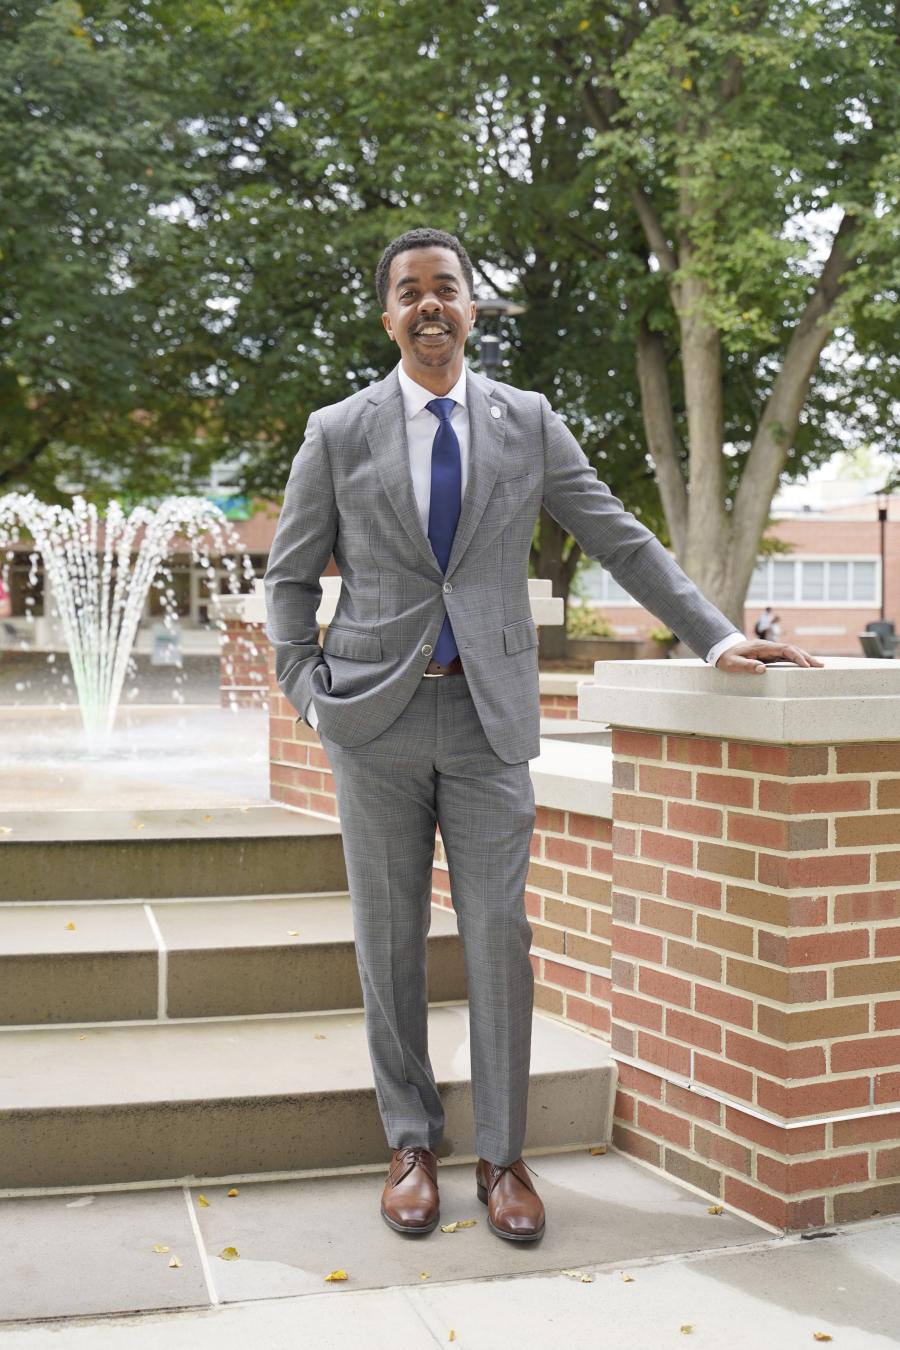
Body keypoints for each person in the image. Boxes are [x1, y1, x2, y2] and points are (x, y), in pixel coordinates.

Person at [264, 227, 823, 1244]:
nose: (430, 307)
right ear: (386, 315)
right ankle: (410, 1144)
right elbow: (291, 576)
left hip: (488, 722)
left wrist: (719, 637)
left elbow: (617, 531)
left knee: (501, 941)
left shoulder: (524, 421)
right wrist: (305, 687)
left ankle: (505, 1159)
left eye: (447, 290)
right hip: (372, 727)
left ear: (474, 309)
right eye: (409, 293)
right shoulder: (338, 431)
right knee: (386, 944)